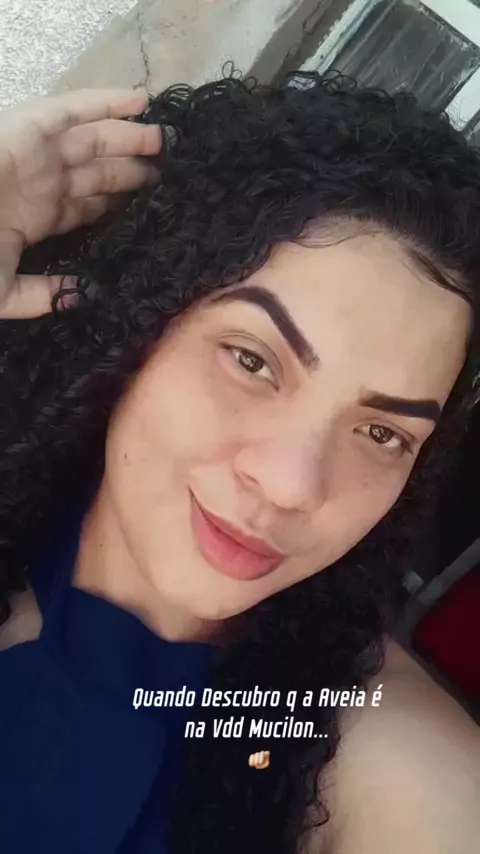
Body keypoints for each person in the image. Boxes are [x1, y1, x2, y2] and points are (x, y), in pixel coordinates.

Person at [0, 72, 479, 854]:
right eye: (252, 361)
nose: (291, 484)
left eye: (382, 432)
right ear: (138, 327)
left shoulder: (376, 764)